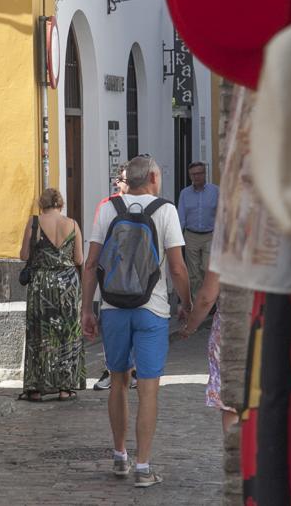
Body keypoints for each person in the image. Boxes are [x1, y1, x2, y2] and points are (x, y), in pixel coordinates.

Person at [81, 155, 192, 488]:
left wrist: (87, 309)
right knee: (148, 388)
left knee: (117, 381)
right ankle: (143, 467)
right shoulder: (165, 210)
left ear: (128, 179)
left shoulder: (108, 209)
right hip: (152, 309)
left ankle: (120, 457)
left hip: (113, 308)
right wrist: (186, 304)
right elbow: (177, 268)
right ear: (153, 178)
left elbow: (91, 264)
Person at [17, 187, 87, 401]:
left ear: (41, 204)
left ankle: (36, 388)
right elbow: (79, 259)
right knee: (68, 333)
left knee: (39, 333)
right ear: (61, 204)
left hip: (42, 284)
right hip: (67, 285)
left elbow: (24, 255)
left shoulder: (34, 222)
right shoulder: (72, 224)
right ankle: (66, 387)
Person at [91, 167, 136, 392]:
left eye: (127, 179)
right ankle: (111, 370)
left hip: (138, 274)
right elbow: (98, 242)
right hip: (112, 275)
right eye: (122, 179)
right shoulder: (106, 205)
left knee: (135, 325)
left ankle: (132, 371)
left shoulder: (145, 203)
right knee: (112, 328)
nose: (124, 183)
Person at [178, 268, 238, 433]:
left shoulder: (226, 251)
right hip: (269, 327)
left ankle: (236, 449)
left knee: (232, 403)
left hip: (231, 331)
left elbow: (207, 298)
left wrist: (190, 327)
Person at [177, 161, 218, 303]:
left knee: (207, 270)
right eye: (193, 174)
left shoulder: (215, 191)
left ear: (205, 174)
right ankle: (198, 303)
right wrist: (178, 239)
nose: (196, 177)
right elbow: (181, 217)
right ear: (190, 176)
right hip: (191, 236)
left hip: (210, 235)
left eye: (199, 173)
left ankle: (210, 302)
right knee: (193, 273)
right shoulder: (185, 193)